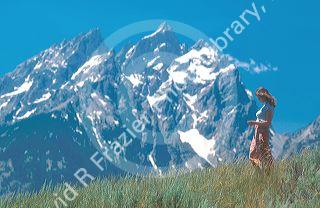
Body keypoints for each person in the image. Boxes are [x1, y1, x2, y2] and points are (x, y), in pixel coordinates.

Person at [247, 87, 276, 175]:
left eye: (259, 97)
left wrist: (254, 122)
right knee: (255, 153)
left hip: (262, 132)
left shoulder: (269, 107)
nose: (258, 99)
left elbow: (268, 122)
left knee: (260, 153)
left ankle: (264, 174)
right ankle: (264, 173)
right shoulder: (265, 106)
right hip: (258, 131)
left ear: (263, 96)